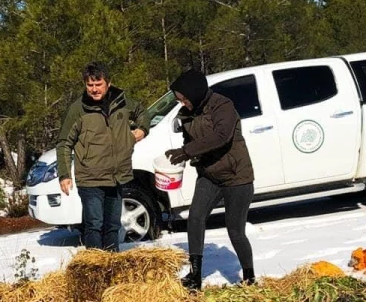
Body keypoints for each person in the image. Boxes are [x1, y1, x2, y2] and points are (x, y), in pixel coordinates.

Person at [164, 68, 256, 289]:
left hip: (236, 176)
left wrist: (187, 151)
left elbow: (221, 137)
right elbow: (191, 142)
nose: (182, 103)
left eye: (183, 98)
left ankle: (249, 276)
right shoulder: (186, 113)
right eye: (179, 99)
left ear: (194, 93)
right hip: (209, 175)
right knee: (195, 218)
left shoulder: (223, 105)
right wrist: (181, 156)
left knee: (235, 230)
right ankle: (195, 275)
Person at [57, 62, 148, 251]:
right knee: (94, 225)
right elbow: (64, 142)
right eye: (90, 85)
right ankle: (95, 269)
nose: (94, 89)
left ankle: (111, 265)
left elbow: (142, 112)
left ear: (108, 83)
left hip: (117, 176)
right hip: (90, 179)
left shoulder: (122, 101)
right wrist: (64, 174)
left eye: (98, 84)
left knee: (113, 226)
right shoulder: (78, 109)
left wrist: (141, 130)